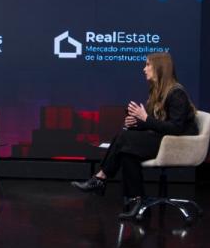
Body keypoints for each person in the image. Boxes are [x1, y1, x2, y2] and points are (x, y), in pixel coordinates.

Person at [72, 52, 199, 218]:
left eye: (148, 65)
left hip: (179, 144)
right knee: (127, 149)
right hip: (164, 139)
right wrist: (137, 123)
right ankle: (137, 201)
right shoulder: (157, 92)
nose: (144, 69)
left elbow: (176, 128)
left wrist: (145, 118)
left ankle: (100, 178)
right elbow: (156, 124)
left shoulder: (176, 93)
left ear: (159, 68)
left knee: (125, 139)